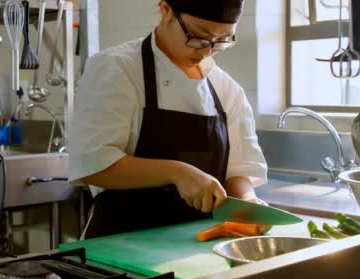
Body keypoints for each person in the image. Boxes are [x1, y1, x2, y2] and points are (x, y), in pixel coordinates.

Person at [69, 0, 267, 238]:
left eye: (221, 41)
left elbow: (239, 171)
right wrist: (178, 172)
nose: (206, 51)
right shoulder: (117, 68)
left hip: (196, 247)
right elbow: (93, 164)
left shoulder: (226, 88)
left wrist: (249, 203)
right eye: (198, 36)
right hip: (120, 244)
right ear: (166, 10)